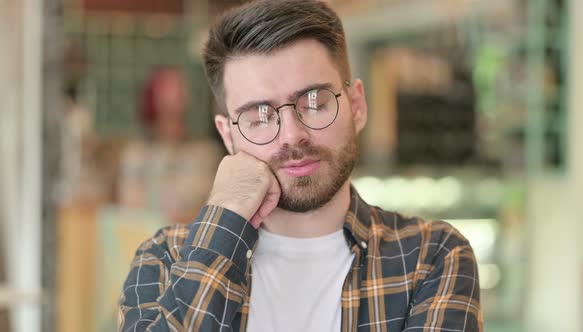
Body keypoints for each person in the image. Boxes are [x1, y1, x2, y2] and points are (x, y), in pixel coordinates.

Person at [117, 1, 483, 331]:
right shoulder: (166, 258)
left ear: (356, 105)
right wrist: (226, 214)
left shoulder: (431, 257)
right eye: (259, 116)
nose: (292, 135)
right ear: (228, 135)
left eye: (314, 101)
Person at [118, 67, 222, 225]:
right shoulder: (136, 154)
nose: (180, 100)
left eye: (181, 95)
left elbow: (211, 205)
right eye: (168, 112)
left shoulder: (205, 153)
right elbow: (129, 205)